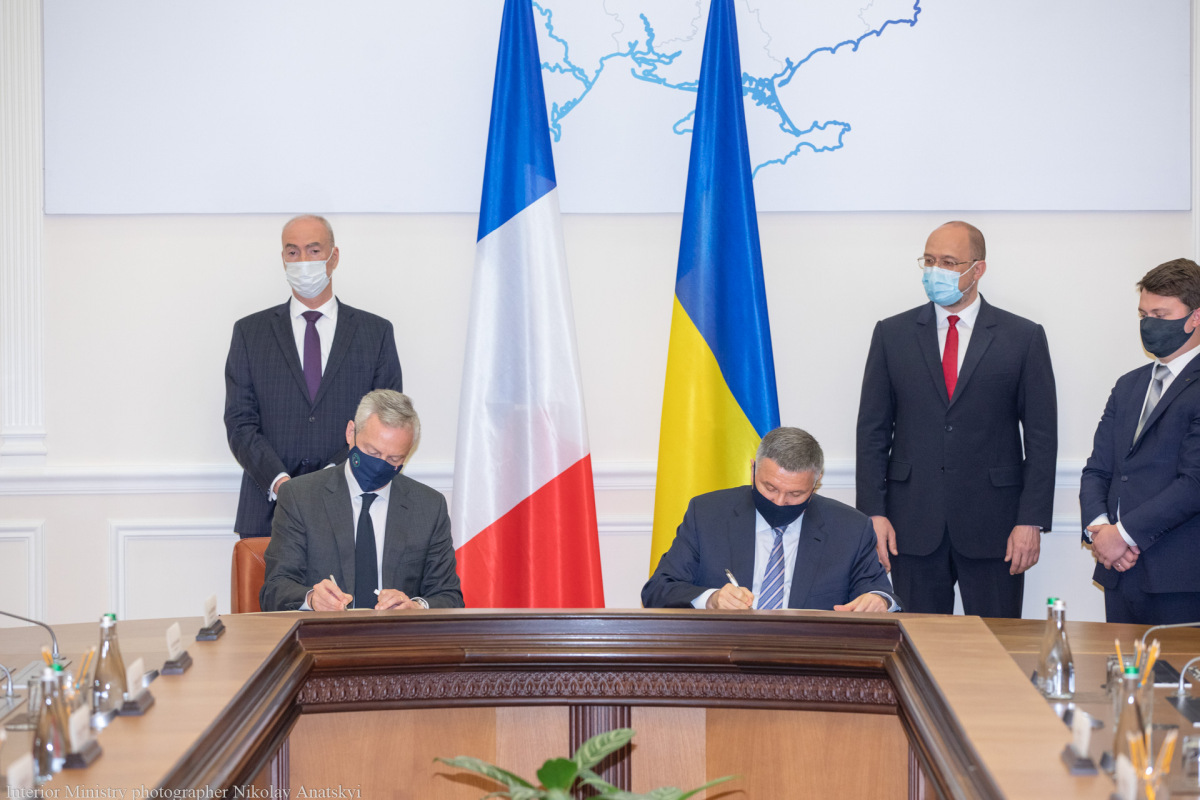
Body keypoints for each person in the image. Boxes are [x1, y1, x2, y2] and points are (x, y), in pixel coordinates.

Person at [856, 221, 1057, 618]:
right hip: (911, 525)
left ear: (978, 269)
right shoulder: (892, 334)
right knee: (917, 644)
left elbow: (1041, 438)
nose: (936, 271)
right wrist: (873, 514)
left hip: (996, 527)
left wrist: (1031, 520)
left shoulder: (1023, 337)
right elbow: (872, 433)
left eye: (949, 262)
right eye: (929, 261)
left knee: (996, 645)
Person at [225, 214, 404, 538]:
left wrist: (332, 479)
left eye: (314, 250)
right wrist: (281, 484)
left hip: (351, 507)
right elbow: (240, 423)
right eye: (292, 252)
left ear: (334, 257)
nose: (303, 261)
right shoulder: (250, 333)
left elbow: (385, 422)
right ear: (283, 259)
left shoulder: (375, 333)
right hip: (267, 515)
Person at [642, 427, 900, 612]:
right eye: (770, 488)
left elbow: (880, 592)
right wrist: (711, 599)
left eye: (795, 494)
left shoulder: (850, 528)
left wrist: (879, 601)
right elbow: (658, 589)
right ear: (753, 469)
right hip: (723, 657)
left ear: (816, 482)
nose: (779, 501)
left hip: (808, 662)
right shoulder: (708, 514)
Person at [260, 390, 463, 612]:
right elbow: (275, 589)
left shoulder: (428, 507)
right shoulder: (300, 497)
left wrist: (416, 607)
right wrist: (311, 599)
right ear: (351, 433)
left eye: (394, 459)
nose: (380, 465)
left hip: (396, 633)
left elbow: (449, 597)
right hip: (326, 631)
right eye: (372, 453)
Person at [1081, 259, 1200, 624]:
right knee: (1119, 664)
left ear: (1195, 317)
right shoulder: (1128, 385)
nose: (1149, 324)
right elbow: (1098, 469)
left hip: (1179, 578)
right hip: (1118, 573)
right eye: (1143, 314)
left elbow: (1194, 483)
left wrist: (1123, 535)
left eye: (1160, 315)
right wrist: (1101, 532)